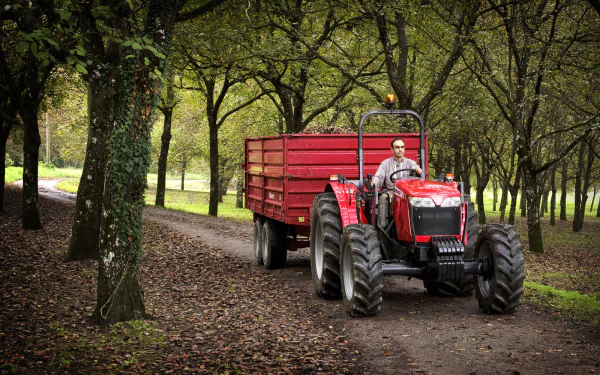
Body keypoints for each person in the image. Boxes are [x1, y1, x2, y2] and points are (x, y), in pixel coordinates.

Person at [371, 137, 422, 228]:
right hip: (390, 191)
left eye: (402, 147)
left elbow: (415, 168)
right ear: (392, 149)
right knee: (383, 198)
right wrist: (375, 182)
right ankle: (383, 227)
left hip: (406, 193)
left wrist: (417, 169)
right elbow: (378, 177)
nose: (400, 150)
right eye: (397, 147)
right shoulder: (385, 164)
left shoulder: (410, 163)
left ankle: (417, 225)